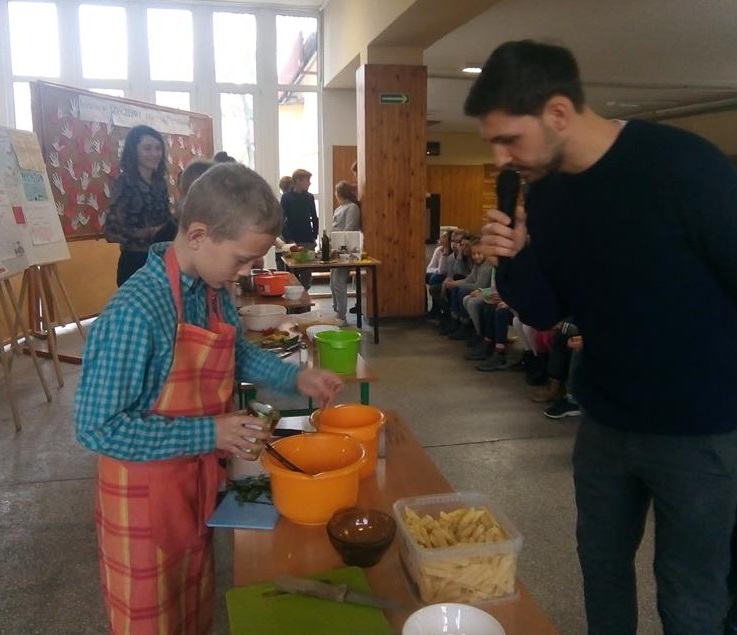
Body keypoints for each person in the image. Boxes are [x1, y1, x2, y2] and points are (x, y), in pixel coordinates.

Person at [465, 39, 737, 635]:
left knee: (690, 595)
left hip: (701, 430)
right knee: (601, 567)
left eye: (509, 139)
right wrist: (514, 258)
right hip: (606, 422)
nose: (502, 156)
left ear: (559, 113)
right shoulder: (548, 194)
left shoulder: (685, 167)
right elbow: (545, 311)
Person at [75, 162, 344, 635]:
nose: (246, 271)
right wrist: (209, 432)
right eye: (241, 259)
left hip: (193, 481)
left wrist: (296, 378)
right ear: (198, 235)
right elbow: (97, 428)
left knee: (192, 605)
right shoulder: (136, 312)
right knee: (152, 619)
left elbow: (235, 352)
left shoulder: (209, 288)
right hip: (143, 498)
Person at [104, 125, 176, 286]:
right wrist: (150, 232)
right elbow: (111, 231)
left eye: (158, 148)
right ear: (133, 151)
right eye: (147, 148)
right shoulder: (125, 182)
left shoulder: (160, 183)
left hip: (161, 261)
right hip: (135, 262)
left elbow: (166, 220)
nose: (154, 154)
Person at [329, 180, 361, 325]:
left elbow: (350, 228)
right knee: (333, 282)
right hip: (335, 248)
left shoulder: (352, 208)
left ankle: (342, 315)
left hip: (346, 250)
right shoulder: (339, 209)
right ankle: (336, 311)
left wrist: (340, 245)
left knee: (339, 282)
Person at [280, 168, 319, 289]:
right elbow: (281, 219)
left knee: (307, 274)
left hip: (307, 239)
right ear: (298, 180)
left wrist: (314, 236)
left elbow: (314, 217)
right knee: (292, 272)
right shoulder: (286, 197)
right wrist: (288, 238)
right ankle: (294, 297)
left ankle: (304, 296)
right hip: (292, 239)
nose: (309, 183)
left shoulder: (309, 197)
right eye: (307, 180)